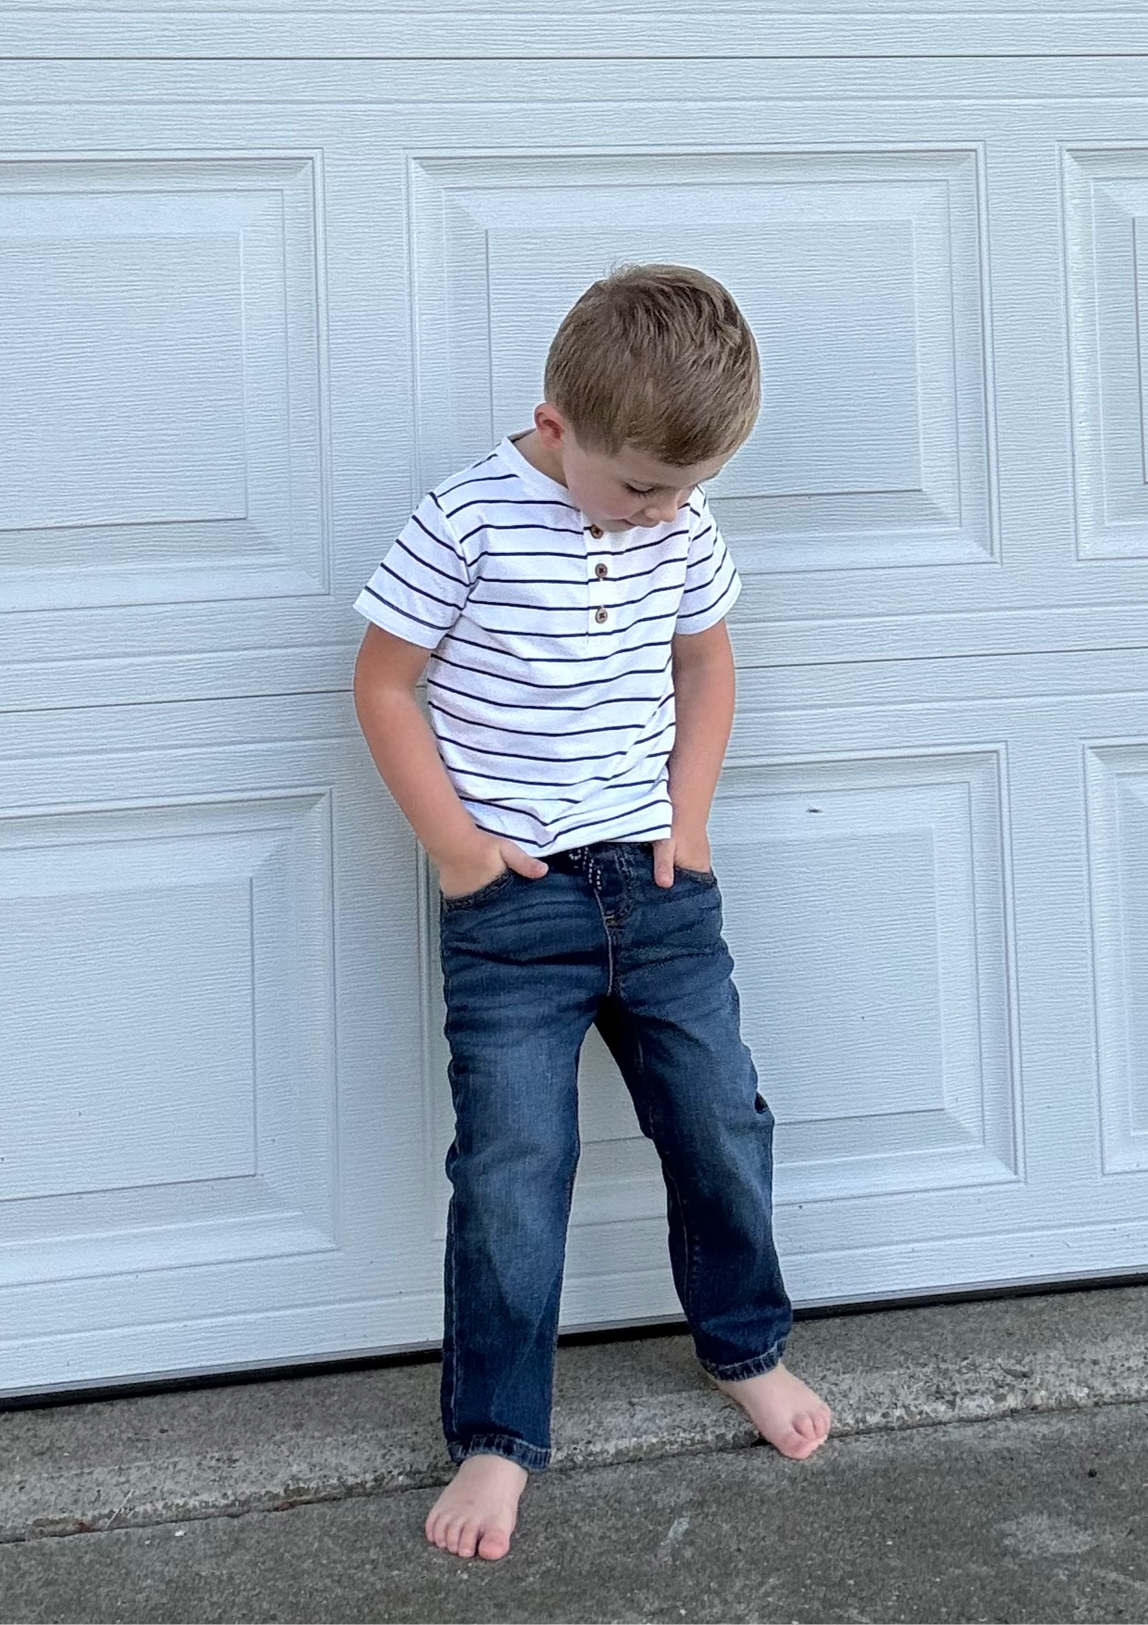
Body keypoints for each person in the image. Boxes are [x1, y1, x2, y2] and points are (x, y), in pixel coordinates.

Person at [352, 263, 832, 1562]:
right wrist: (456, 850)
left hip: (658, 888)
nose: (660, 513)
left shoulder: (677, 520)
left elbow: (707, 658)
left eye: (684, 492)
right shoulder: (466, 523)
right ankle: (498, 1437)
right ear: (557, 426)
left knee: (721, 1121)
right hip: (516, 907)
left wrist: (689, 812)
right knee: (514, 1168)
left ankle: (745, 1347)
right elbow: (385, 684)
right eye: (637, 488)